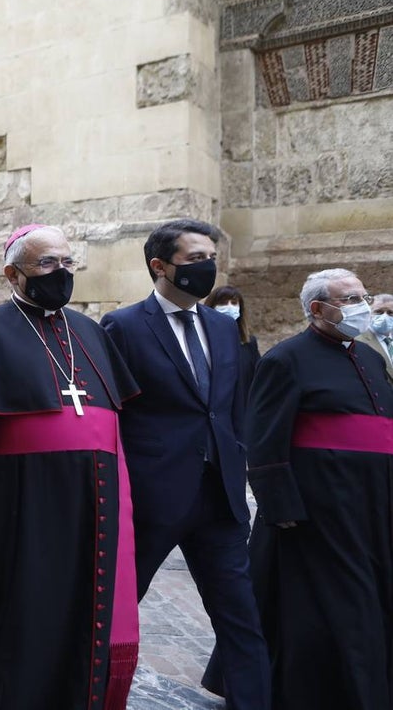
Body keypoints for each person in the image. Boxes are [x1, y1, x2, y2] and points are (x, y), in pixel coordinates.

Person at [0, 223, 141, 710]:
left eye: (67, 263)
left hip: (91, 513)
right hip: (17, 511)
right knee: (9, 619)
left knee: (80, 615)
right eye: (47, 264)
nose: (60, 273)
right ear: (12, 273)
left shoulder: (89, 332)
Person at [100, 219, 270, 709]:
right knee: (114, 606)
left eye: (211, 256)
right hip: (154, 496)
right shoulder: (123, 325)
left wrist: (239, 465)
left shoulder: (222, 325)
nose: (208, 266)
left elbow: (230, 407)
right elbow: (116, 411)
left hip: (220, 495)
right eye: (196, 258)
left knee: (241, 616)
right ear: (160, 265)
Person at [246, 269, 393, 709]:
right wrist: (280, 503)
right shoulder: (286, 358)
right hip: (321, 502)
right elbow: (264, 438)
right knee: (341, 602)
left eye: (363, 296)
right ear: (317, 309)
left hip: (375, 502)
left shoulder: (370, 359)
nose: (362, 306)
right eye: (350, 299)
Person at [205, 284, 262, 392]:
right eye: (223, 303)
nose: (229, 307)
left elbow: (257, 378)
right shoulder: (203, 339)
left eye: (234, 303)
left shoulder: (248, 343)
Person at [356, 292, 393, 381]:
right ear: (368, 312)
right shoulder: (357, 341)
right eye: (378, 312)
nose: (384, 316)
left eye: (390, 312)